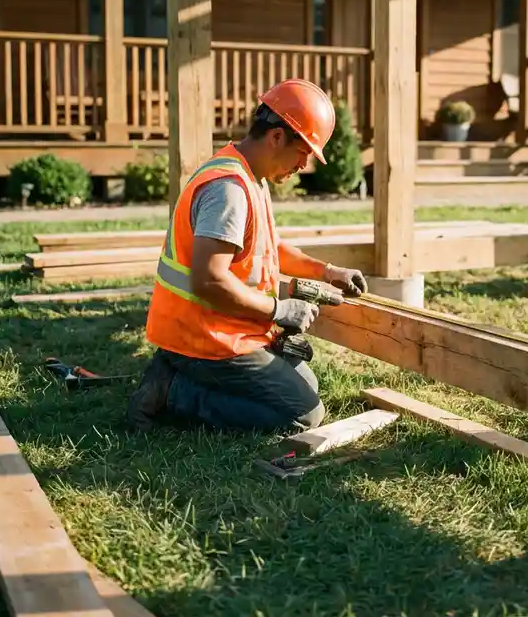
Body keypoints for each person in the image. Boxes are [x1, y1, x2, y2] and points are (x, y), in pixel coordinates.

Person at [126, 78, 368, 434]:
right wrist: (281, 310)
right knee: (303, 415)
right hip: (202, 336)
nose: (304, 165)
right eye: (303, 154)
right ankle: (171, 391)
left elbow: (269, 249)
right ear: (277, 137)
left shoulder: (249, 175)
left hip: (225, 328)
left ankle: (175, 372)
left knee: (308, 387)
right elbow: (209, 281)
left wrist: (328, 271)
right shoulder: (228, 190)